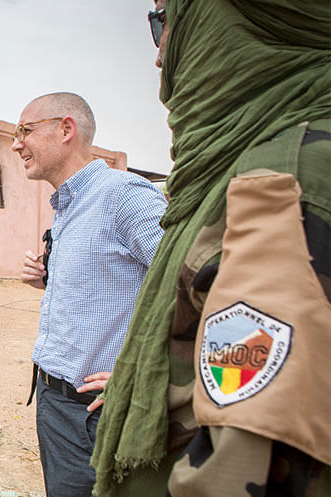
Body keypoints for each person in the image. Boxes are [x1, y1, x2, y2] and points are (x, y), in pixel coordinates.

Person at [91, 2, 331, 496]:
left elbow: (246, 469)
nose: (161, 55)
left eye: (164, 19)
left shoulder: (283, 178)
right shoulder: (228, 171)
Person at [13, 93, 167, 497]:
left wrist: (143, 373)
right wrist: (49, 278)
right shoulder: (68, 204)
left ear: (66, 129)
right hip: (53, 401)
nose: (16, 144)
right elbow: (111, 284)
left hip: (94, 413)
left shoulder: (124, 196)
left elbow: (189, 287)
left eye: (25, 130)